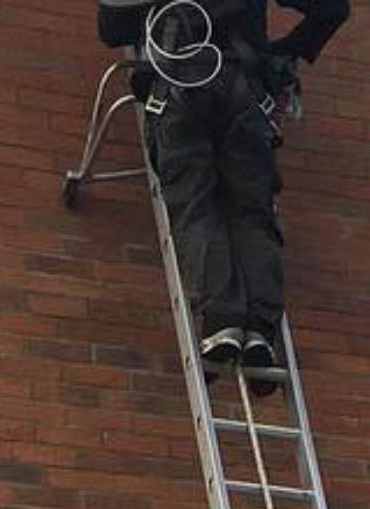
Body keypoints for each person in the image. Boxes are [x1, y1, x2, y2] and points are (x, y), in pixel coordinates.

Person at [96, 0, 349, 380]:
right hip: (246, 94)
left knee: (196, 204)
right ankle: (259, 328)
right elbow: (332, 9)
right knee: (252, 210)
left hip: (181, 89)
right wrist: (282, 51)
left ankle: (223, 321)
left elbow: (112, 29)